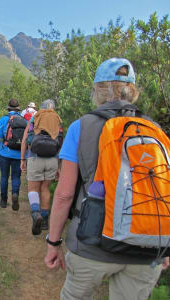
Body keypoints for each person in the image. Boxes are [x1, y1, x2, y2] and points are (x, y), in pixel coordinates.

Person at [44, 58, 169, 300]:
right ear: (132, 90)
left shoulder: (82, 127)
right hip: (146, 248)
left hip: (91, 244)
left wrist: (53, 242)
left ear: (98, 90)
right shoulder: (155, 130)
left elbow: (64, 194)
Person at [20, 99, 62, 235]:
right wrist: (59, 165)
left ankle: (36, 214)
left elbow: (26, 139)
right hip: (52, 159)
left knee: (33, 189)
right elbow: (60, 142)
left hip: (35, 156)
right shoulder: (57, 119)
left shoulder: (34, 118)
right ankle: (44, 221)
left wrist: (22, 159)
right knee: (45, 189)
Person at [0, 98, 25, 210]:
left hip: (5, 153)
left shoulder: (3, 120)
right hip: (18, 154)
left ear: (9, 108)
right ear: (18, 108)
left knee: (4, 177)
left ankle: (3, 201)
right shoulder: (24, 120)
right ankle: (15, 194)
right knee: (16, 176)